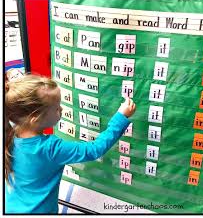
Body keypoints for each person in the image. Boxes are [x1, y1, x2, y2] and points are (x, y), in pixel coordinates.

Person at [5, 74, 136, 214]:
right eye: (56, 108)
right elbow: (95, 149)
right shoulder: (51, 148)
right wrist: (121, 117)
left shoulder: (8, 136)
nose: (61, 110)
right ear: (34, 118)